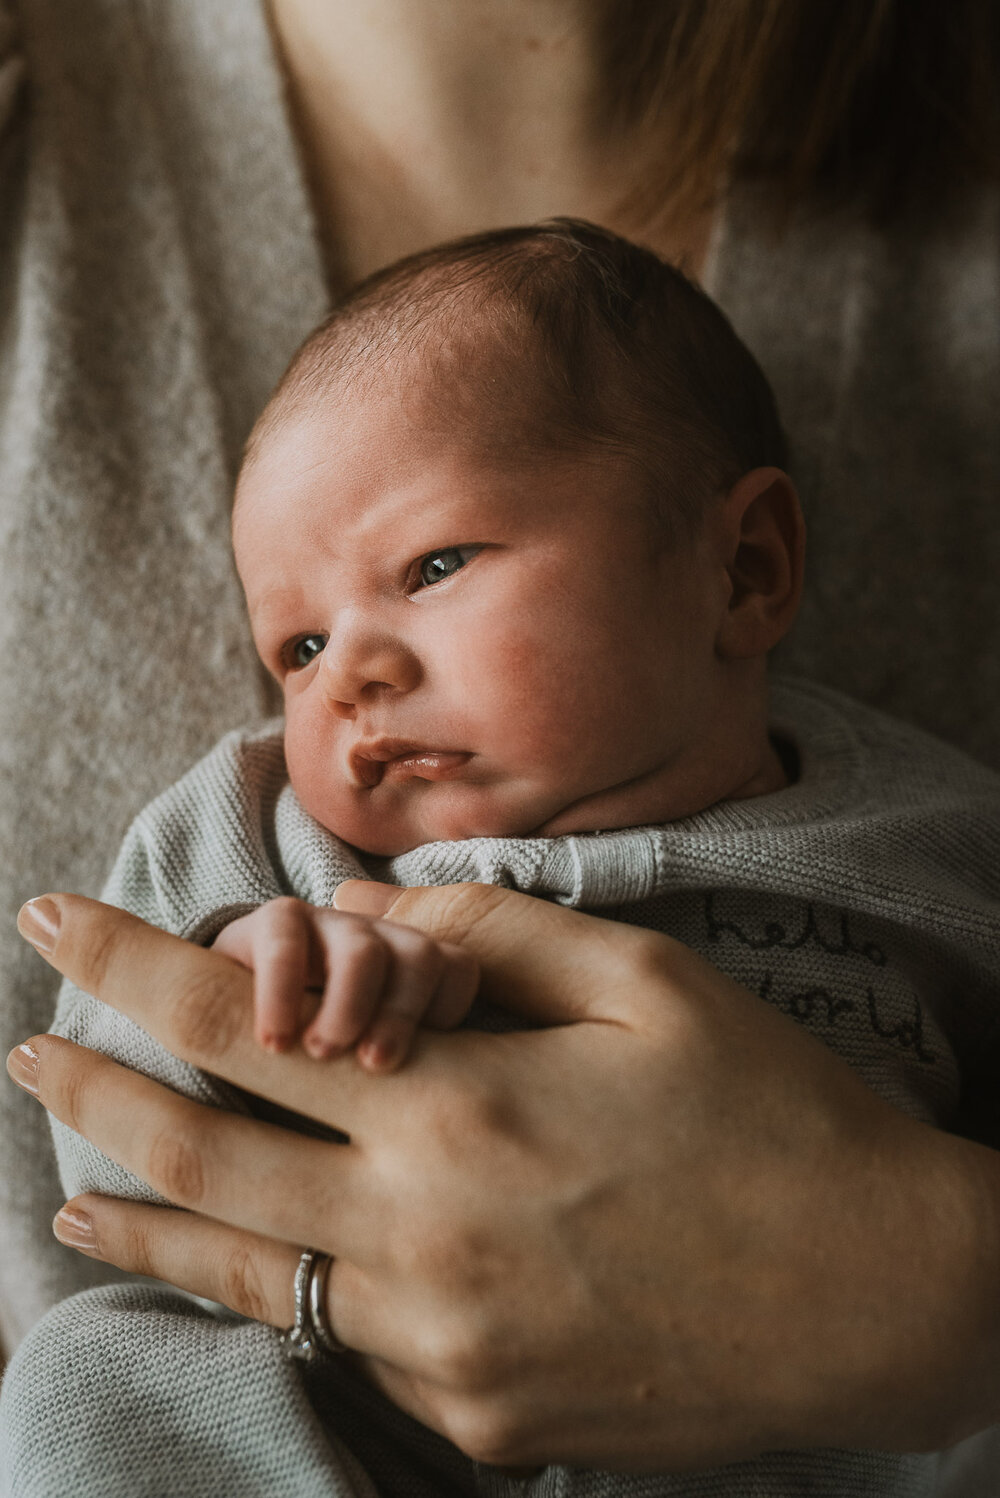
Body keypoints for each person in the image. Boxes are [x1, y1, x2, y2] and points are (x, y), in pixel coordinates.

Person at [0, 0, 998, 1491]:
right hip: (332, 1424)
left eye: (438, 566)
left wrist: (948, 1282)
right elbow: (107, 1128)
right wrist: (263, 990)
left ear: (745, 573)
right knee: (100, 1374)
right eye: (297, 647)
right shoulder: (269, 836)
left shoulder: (923, 840)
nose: (353, 676)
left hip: (813, 1450)